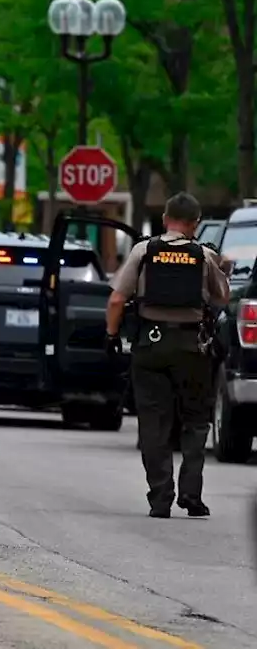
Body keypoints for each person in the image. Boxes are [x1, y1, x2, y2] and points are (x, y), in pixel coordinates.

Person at [106, 192, 230, 519]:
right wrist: (222, 268)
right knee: (195, 421)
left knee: (153, 423)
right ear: (196, 224)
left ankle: (160, 498)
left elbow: (117, 300)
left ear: (164, 219)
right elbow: (222, 297)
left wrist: (112, 335)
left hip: (150, 344)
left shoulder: (143, 250)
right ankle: (191, 494)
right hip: (192, 348)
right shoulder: (203, 255)